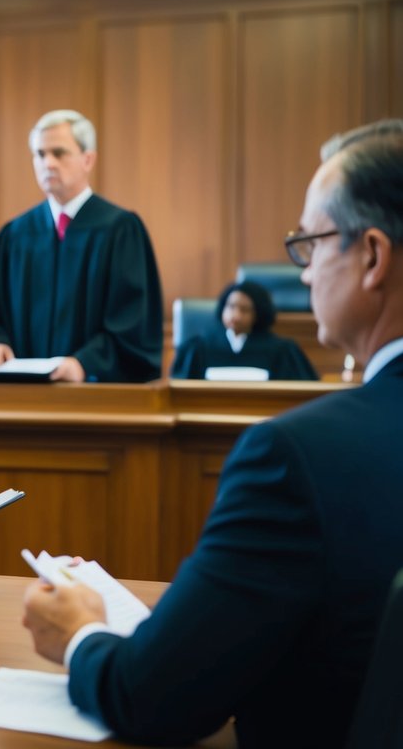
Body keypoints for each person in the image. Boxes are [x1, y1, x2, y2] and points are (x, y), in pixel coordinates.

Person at [21, 126, 403, 748]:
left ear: (373, 257)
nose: (302, 276)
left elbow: (152, 697)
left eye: (309, 244)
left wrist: (81, 634)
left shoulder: (295, 459)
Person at [0, 110, 162, 382]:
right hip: (20, 400)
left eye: (59, 153)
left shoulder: (120, 230)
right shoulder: (16, 235)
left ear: (88, 159)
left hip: (95, 401)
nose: (48, 163)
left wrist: (84, 364)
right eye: (40, 154)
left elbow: (134, 327)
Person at [170, 280, 317, 380]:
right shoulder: (198, 348)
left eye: (245, 310)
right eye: (231, 306)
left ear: (258, 313)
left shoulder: (282, 351)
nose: (236, 315)